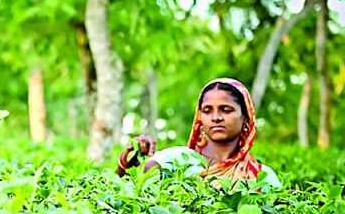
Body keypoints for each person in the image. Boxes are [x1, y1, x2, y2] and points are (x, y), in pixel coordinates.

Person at [117, 78, 281, 188]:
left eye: (226, 109)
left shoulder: (262, 176)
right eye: (207, 111)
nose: (216, 118)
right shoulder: (176, 160)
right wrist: (133, 155)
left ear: (246, 117)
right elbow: (128, 190)